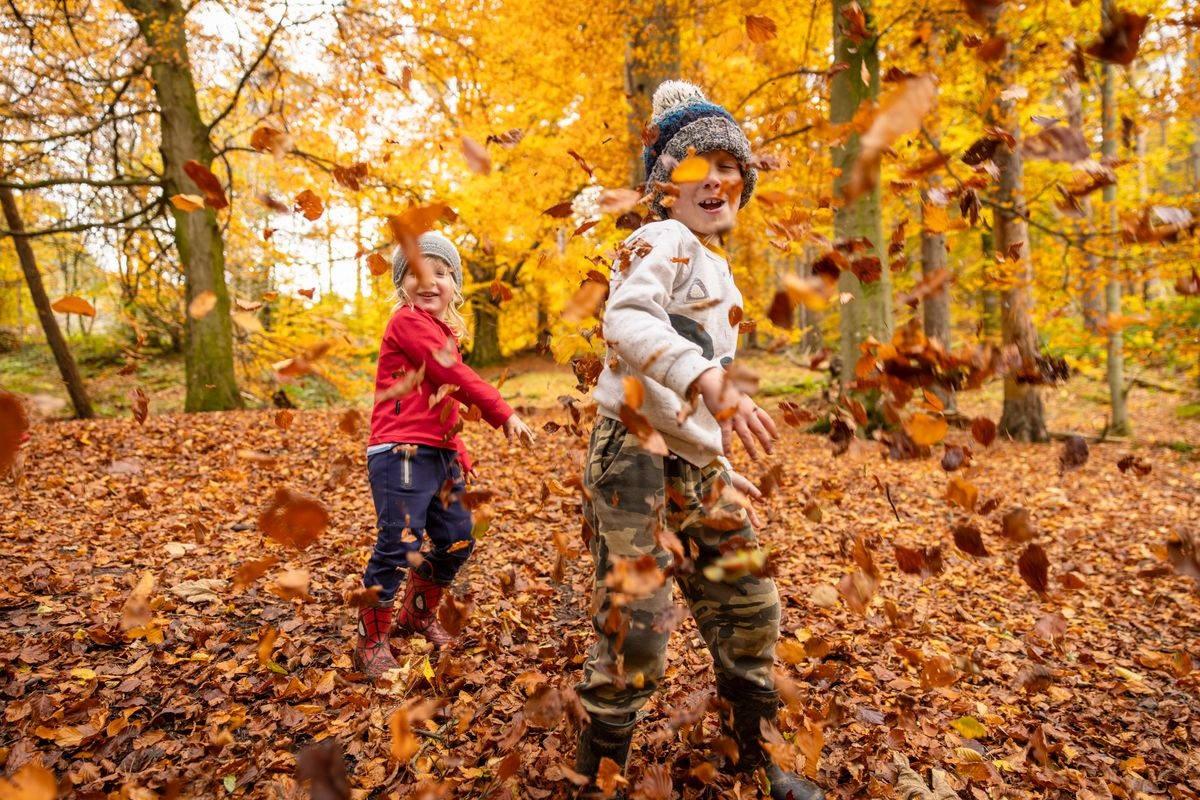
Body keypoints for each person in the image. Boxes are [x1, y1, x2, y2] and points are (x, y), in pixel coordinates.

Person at [573, 81, 825, 799]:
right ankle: (597, 775)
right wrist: (708, 386)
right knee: (640, 628)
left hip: (696, 467)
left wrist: (715, 461)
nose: (714, 178)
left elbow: (692, 360)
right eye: (693, 166)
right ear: (662, 186)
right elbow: (626, 322)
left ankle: (759, 756)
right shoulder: (657, 240)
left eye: (727, 163)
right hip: (633, 455)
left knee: (751, 602)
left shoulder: (716, 265)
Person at [353, 231, 534, 680]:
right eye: (416, 274)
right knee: (400, 543)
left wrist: (460, 456)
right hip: (401, 451)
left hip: (439, 455)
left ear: (455, 283)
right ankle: (370, 639)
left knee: (458, 536)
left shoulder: (444, 332)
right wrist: (501, 411)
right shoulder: (407, 323)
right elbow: (450, 373)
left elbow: (446, 404)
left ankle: (416, 614)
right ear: (401, 285)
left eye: (440, 272)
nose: (429, 282)